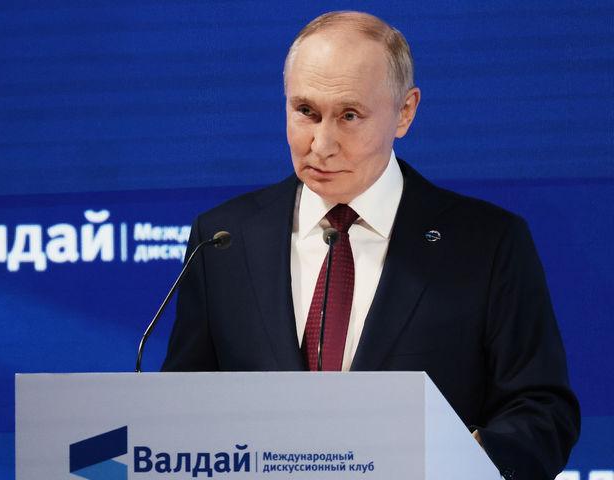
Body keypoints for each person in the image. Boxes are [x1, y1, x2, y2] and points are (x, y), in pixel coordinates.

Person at [162, 11, 579, 480]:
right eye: (306, 111)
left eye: (349, 116)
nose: (321, 144)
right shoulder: (223, 239)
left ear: (405, 112)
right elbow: (179, 411)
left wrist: (463, 457)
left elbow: (543, 413)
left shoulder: (489, 243)